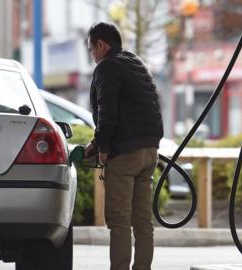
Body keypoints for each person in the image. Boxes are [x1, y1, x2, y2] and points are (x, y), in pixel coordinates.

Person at [84, 22, 164, 270]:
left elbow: (107, 111)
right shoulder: (136, 62)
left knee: (119, 222)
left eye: (91, 49)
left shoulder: (107, 67)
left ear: (101, 44)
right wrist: (98, 142)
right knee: (142, 222)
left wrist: (103, 147)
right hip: (150, 151)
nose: (92, 55)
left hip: (125, 154)